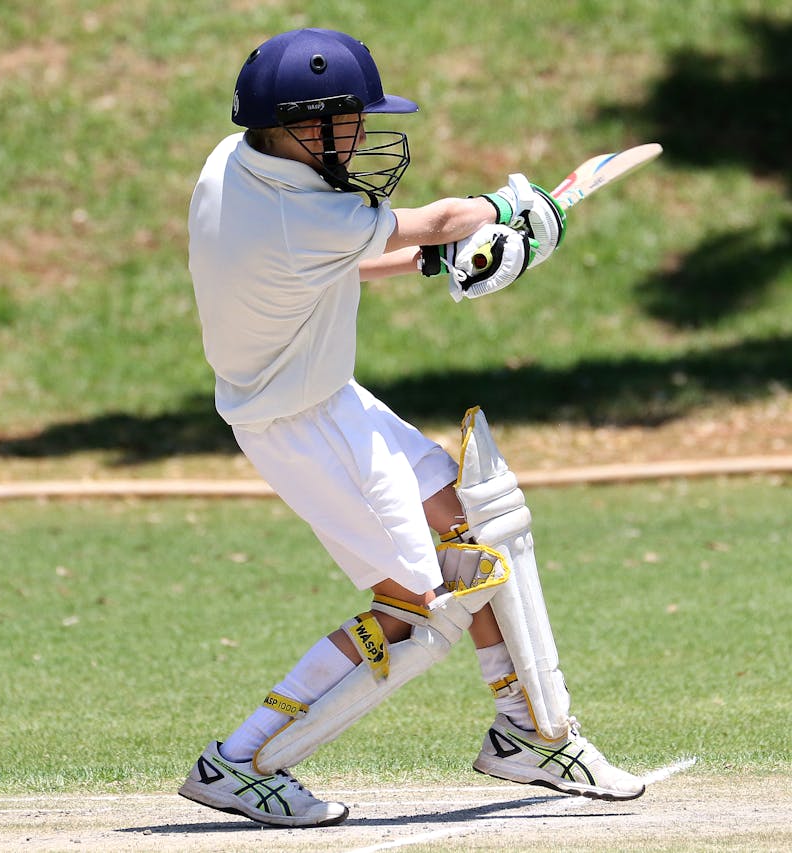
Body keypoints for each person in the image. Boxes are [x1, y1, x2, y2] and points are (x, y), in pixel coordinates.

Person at [178, 27, 644, 828]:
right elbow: (435, 218)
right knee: (421, 609)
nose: (361, 134)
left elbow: (360, 253)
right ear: (303, 124)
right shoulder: (299, 214)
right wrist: (514, 215)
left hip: (318, 398)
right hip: (302, 423)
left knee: (473, 530)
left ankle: (527, 734)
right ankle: (243, 759)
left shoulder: (240, 166)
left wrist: (446, 258)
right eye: (349, 118)